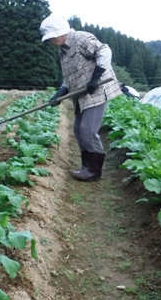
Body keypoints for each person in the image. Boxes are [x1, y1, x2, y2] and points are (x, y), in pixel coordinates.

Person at [40, 14, 122, 182]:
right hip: (81, 95)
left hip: (97, 90)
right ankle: (86, 165)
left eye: (50, 38)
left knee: (87, 130)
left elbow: (105, 51)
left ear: (59, 33)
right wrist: (60, 94)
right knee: (78, 130)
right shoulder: (63, 51)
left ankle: (94, 171)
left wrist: (95, 78)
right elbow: (69, 78)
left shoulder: (80, 38)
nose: (49, 42)